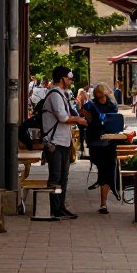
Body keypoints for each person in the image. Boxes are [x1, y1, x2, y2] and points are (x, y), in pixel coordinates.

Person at [41, 65, 88, 220]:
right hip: (54, 142)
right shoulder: (54, 95)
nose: (70, 80)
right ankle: (55, 208)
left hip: (63, 141)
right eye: (68, 78)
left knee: (64, 177)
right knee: (55, 177)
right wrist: (78, 120)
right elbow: (63, 118)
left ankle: (60, 206)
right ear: (62, 79)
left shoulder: (63, 94)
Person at [81, 82, 119, 214]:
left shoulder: (109, 105)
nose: (100, 99)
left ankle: (103, 203)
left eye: (101, 96)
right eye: (99, 97)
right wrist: (89, 118)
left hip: (106, 143)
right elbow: (84, 112)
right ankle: (104, 200)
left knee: (105, 171)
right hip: (98, 143)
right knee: (104, 170)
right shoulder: (95, 105)